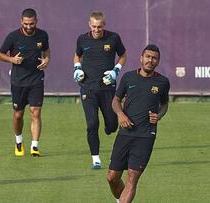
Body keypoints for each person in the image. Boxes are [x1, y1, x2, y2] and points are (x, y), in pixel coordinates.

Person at [107, 44, 170, 203]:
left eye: (154, 58)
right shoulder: (128, 77)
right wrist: (120, 115)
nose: (150, 60)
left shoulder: (162, 82)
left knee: (132, 178)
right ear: (141, 58)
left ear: (158, 61)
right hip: (125, 133)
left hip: (146, 136)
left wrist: (159, 116)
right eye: (148, 57)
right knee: (112, 178)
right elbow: (116, 100)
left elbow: (164, 104)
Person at [73, 11, 127, 169]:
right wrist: (77, 69)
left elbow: (123, 55)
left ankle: (109, 127)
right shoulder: (82, 39)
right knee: (92, 123)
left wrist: (115, 70)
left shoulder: (113, 38)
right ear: (90, 25)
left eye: (100, 27)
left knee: (112, 126)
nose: (97, 30)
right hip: (87, 88)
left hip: (107, 88)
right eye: (94, 26)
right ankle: (95, 158)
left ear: (104, 25)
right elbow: (77, 56)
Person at [0, 8, 50, 157]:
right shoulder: (13, 37)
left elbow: (46, 51)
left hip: (36, 80)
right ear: (21, 22)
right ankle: (19, 141)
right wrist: (11, 59)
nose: (28, 26)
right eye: (26, 24)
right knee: (18, 115)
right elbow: (0, 54)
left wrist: (46, 60)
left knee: (35, 112)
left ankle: (35, 146)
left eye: (31, 24)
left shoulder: (42, 35)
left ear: (36, 22)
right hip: (18, 81)